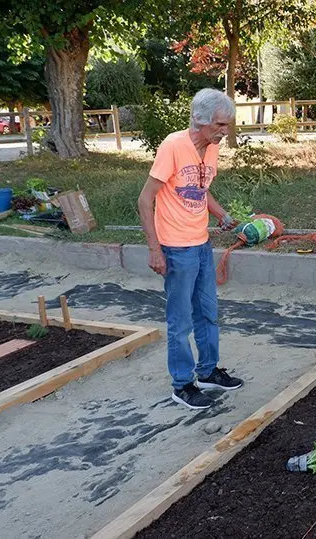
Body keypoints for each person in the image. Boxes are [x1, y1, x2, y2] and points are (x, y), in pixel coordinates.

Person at [138, 88, 244, 410]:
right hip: (176, 249)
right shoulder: (173, 146)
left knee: (208, 313)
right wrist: (155, 250)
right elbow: (145, 200)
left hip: (201, 245)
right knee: (181, 321)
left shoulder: (209, 149)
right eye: (220, 125)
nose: (225, 132)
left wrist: (222, 214)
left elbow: (200, 190)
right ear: (200, 121)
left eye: (227, 126)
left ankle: (208, 371)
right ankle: (182, 385)